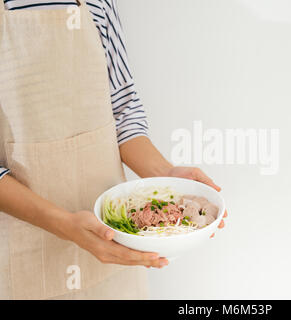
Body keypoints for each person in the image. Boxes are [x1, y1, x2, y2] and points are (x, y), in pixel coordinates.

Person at [0, 0, 226, 300]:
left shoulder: (98, 3)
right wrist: (65, 225)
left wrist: (166, 176)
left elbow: (123, 110)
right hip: (21, 249)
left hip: (113, 238)